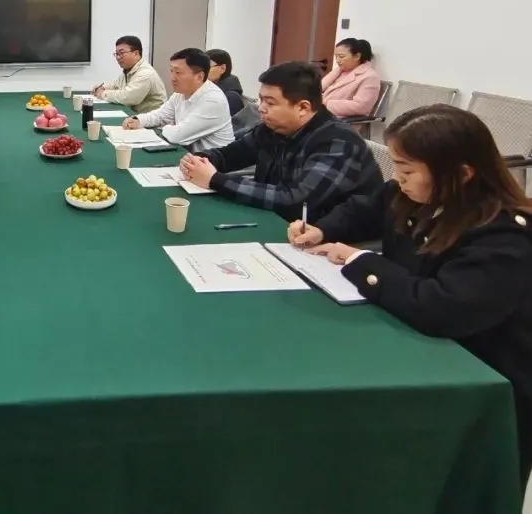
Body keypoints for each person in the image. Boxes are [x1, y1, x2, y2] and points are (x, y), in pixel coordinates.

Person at [287, 104, 532, 487]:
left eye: (407, 170)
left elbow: (441, 307)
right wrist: (322, 229)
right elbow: (364, 210)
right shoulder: (411, 194)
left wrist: (360, 260)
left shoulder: (503, 233)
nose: (397, 179)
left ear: (462, 174)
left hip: (484, 383)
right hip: (417, 346)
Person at [180, 61, 383, 223]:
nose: (261, 108)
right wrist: (199, 160)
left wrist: (216, 180)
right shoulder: (273, 128)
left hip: (327, 240)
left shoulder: (338, 142)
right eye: (261, 100)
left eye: (270, 103)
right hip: (276, 220)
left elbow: (296, 202)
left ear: (303, 107)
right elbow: (230, 155)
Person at [121, 48, 234, 151]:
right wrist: (139, 120)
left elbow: (177, 136)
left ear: (199, 76)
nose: (173, 78)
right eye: (172, 71)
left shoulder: (213, 101)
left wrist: (164, 128)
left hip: (213, 162)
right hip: (190, 155)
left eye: (178, 72)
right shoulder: (181, 92)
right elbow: (161, 115)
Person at [92, 35, 167, 114]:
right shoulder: (129, 69)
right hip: (136, 116)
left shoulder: (145, 73)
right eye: (116, 54)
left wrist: (103, 93)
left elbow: (128, 97)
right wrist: (102, 87)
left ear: (136, 53)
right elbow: (116, 85)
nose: (118, 57)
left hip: (151, 119)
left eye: (121, 53)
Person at [321, 37, 382, 118]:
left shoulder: (370, 77)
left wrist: (326, 103)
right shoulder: (339, 71)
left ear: (357, 56)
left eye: (341, 56)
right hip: (323, 113)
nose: (337, 60)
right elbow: (319, 87)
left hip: (340, 120)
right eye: (336, 56)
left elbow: (361, 107)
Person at [206, 48, 245, 115]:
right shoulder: (209, 89)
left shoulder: (231, 98)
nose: (203, 71)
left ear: (222, 68)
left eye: (207, 66)